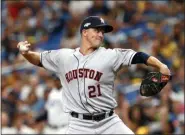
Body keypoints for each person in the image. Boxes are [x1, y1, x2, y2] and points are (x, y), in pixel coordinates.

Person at [17, 16, 171, 134]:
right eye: (97, 30)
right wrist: (25, 53)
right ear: (84, 32)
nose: (101, 34)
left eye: (102, 32)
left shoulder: (110, 55)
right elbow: (38, 59)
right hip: (79, 125)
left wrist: (161, 66)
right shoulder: (64, 57)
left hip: (109, 121)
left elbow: (139, 56)